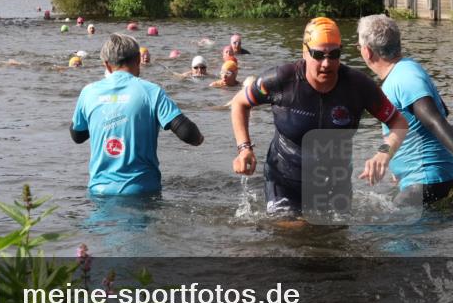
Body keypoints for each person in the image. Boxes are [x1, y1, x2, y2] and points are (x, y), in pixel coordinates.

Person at [229, 17, 410, 216]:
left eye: (334, 54)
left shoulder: (358, 86)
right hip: (285, 180)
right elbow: (239, 103)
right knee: (290, 230)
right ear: (305, 52)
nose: (326, 63)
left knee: (334, 234)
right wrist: (244, 148)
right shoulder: (281, 80)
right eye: (318, 55)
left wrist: (384, 153)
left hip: (334, 185)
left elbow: (398, 122)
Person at [357, 14, 453, 208]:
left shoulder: (404, 78)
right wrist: (399, 164)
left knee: (384, 224)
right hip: (436, 179)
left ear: (367, 51)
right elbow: (441, 112)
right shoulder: (408, 70)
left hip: (426, 181)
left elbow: (434, 120)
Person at [70, 33, 203, 196]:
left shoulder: (88, 92)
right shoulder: (151, 92)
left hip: (99, 192)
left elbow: (77, 136)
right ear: (138, 59)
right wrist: (199, 139)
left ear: (106, 65)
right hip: (142, 192)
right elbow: (186, 132)